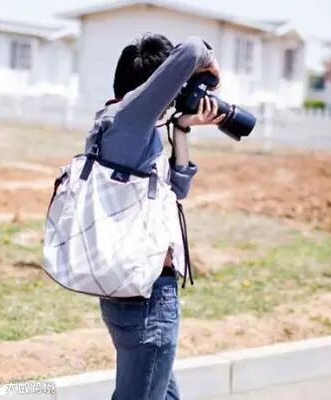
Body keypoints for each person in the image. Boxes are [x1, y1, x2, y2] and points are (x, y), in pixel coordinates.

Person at [84, 34, 224, 400]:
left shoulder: (125, 126)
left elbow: (176, 191)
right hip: (146, 300)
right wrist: (210, 65)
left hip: (135, 291)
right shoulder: (129, 120)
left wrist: (182, 128)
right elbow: (192, 48)